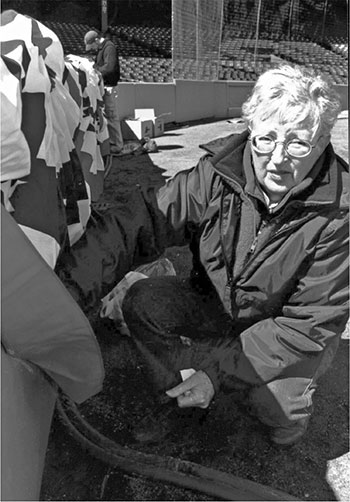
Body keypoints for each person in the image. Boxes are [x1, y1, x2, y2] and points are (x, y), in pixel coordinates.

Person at [118, 64, 349, 446]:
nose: (277, 159)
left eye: (298, 143)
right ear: (250, 131)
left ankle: (275, 400)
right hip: (224, 306)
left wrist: (215, 371)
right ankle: (180, 396)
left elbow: (305, 324)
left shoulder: (341, 214)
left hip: (285, 329)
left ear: (323, 142)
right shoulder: (217, 172)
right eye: (266, 139)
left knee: (276, 408)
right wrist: (73, 283)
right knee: (143, 301)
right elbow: (143, 221)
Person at [84, 28, 124, 154]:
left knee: (111, 116)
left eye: (92, 45)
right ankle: (112, 142)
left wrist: (95, 70)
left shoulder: (109, 47)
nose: (93, 49)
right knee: (108, 116)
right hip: (104, 86)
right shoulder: (103, 48)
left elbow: (109, 68)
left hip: (109, 87)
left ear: (97, 40)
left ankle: (117, 145)